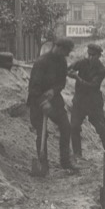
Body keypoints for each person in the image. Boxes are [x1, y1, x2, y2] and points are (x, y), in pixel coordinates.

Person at [27, 37, 76, 175]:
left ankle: (65, 162)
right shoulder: (41, 62)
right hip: (37, 100)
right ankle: (43, 165)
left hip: (54, 99)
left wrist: (53, 91)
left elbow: (61, 82)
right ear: (58, 47)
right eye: (65, 51)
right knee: (42, 133)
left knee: (66, 127)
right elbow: (33, 88)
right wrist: (43, 102)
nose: (66, 55)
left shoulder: (62, 62)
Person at [68, 43, 105, 161]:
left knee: (102, 129)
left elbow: (92, 86)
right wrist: (69, 71)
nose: (90, 57)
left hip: (93, 102)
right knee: (74, 127)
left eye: (93, 55)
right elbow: (69, 68)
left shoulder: (101, 70)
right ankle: (78, 155)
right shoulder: (83, 62)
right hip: (80, 100)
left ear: (98, 56)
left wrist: (77, 78)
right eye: (89, 54)